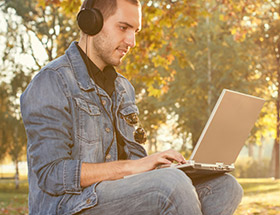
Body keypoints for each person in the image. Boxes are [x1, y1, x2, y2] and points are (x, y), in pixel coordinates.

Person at [20, 0, 243, 214]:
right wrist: (133, 169)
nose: (131, 41)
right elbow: (52, 174)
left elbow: (136, 161)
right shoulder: (51, 81)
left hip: (114, 200)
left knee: (225, 187)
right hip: (70, 207)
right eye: (123, 27)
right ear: (91, 22)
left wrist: (161, 167)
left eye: (135, 31)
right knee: (171, 185)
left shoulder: (123, 88)